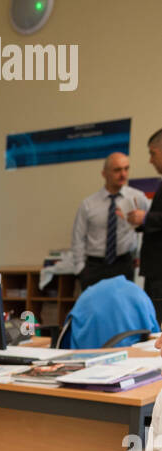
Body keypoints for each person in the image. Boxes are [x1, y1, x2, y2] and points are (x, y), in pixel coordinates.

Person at [71, 152, 149, 292]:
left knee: (122, 310)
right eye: (117, 170)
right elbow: (78, 238)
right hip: (94, 266)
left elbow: (149, 226)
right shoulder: (88, 204)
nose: (123, 174)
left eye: (126, 169)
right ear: (104, 174)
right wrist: (80, 269)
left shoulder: (138, 198)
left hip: (123, 264)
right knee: (94, 310)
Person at [129, 127, 162, 325]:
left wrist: (145, 218)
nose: (150, 160)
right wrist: (139, 222)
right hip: (154, 270)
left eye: (153, 153)